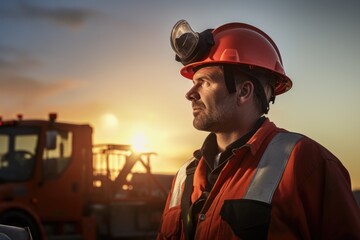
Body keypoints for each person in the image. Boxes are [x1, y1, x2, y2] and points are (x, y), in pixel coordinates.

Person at [157, 20, 360, 240]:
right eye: (193, 82)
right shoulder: (184, 177)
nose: (190, 94)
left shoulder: (307, 162)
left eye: (204, 82)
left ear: (244, 92)